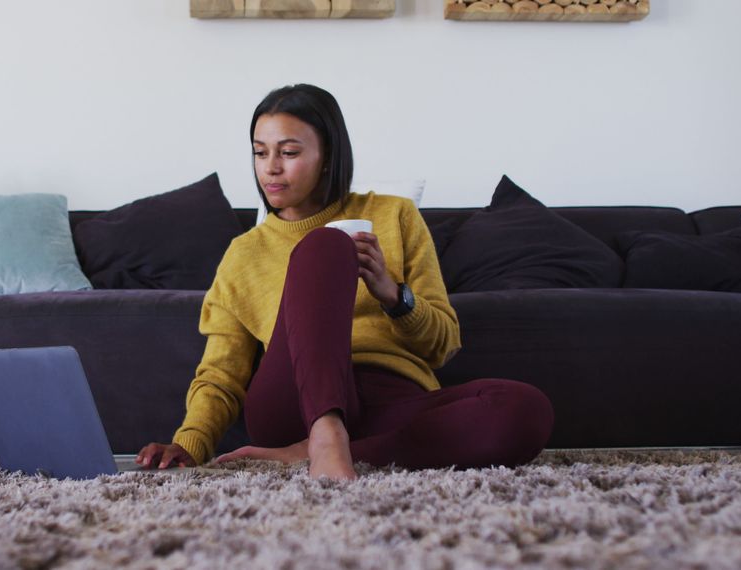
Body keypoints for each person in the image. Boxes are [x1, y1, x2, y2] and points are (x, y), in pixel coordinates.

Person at [137, 84, 554, 480]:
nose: (271, 168)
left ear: (328, 155)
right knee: (326, 246)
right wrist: (190, 442)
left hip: (390, 400)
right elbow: (221, 372)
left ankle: (320, 451)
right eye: (260, 153)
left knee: (524, 409)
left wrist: (392, 294)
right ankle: (324, 430)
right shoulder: (244, 253)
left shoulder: (397, 216)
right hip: (293, 402)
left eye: (289, 152)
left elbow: (443, 344)